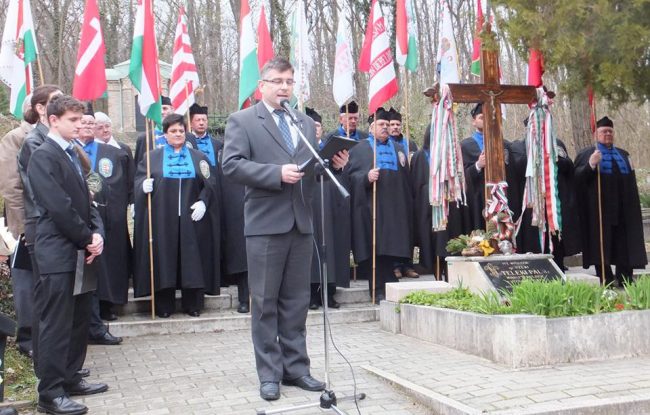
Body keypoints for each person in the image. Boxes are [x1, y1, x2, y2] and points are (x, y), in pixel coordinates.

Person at [222, 57, 348, 401]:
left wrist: (333, 165)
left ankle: (297, 368)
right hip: (265, 224)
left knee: (296, 301)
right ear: (262, 85)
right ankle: (269, 374)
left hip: (301, 222)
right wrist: (275, 173)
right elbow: (231, 165)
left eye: (289, 82)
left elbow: (308, 169)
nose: (284, 87)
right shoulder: (243, 121)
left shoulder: (303, 122)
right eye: (277, 81)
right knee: (265, 302)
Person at [27, 94, 108, 415]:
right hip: (57, 252)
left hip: (80, 250)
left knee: (77, 320)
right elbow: (58, 206)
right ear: (53, 120)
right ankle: (50, 392)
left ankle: (71, 377)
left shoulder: (71, 152)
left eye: (80, 118)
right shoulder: (43, 156)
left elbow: (86, 200)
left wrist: (97, 233)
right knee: (56, 324)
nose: (79, 125)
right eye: (72, 120)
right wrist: (87, 237)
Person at [133, 113, 220, 318]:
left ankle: (193, 303)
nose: (178, 134)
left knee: (192, 259)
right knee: (164, 258)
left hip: (192, 219)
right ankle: (164, 304)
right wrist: (142, 186)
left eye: (181, 130)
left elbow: (210, 182)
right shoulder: (152, 157)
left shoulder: (199, 157)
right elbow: (137, 181)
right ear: (165, 134)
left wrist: (203, 201)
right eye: (173, 131)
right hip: (163, 218)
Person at [346, 108, 413, 301]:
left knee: (391, 248)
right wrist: (365, 178)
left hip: (394, 208)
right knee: (374, 247)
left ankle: (390, 284)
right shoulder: (358, 149)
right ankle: (376, 288)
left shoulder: (399, 149)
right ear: (371, 127)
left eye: (387, 124)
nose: (385, 127)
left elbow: (406, 180)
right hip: (371, 207)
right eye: (381, 124)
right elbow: (350, 178)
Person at [76, 105, 131, 338]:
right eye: (85, 122)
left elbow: (120, 184)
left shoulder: (111, 153)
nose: (88, 126)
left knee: (107, 263)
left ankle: (108, 304)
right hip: (78, 219)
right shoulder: (70, 151)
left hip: (107, 217)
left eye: (92, 123)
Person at [574, 116, 647, 285]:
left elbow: (631, 182)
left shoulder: (624, 155)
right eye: (604, 131)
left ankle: (625, 279)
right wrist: (591, 165)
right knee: (601, 246)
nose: (607, 134)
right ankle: (605, 279)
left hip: (623, 210)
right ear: (596, 134)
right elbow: (577, 180)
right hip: (599, 212)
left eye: (610, 131)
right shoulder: (587, 154)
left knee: (624, 245)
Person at [509, 118, 581, 268]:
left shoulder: (556, 144)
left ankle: (558, 266)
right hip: (530, 204)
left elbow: (568, 167)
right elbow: (515, 170)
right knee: (532, 237)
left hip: (552, 202)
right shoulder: (517, 147)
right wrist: (534, 156)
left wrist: (552, 156)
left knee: (555, 236)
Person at [411, 123, 470, 280]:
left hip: (449, 206)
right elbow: (416, 184)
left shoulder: (451, 156)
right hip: (428, 207)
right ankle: (437, 276)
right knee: (432, 243)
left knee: (450, 241)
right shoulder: (420, 156)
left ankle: (451, 276)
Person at [0, 99, 34, 358]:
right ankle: (27, 339)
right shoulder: (15, 138)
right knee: (25, 285)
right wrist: (22, 227)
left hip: (47, 224)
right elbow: (11, 186)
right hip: (24, 226)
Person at [307, 107, 350, 310]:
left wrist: (340, 165)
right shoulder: (300, 148)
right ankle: (312, 294)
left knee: (331, 248)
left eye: (318, 126)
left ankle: (329, 292)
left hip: (330, 203)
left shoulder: (329, 148)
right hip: (309, 205)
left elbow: (341, 174)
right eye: (311, 126)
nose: (315, 129)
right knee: (311, 249)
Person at [460, 103, 519, 232]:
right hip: (478, 200)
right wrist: (477, 165)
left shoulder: (504, 144)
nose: (485, 120)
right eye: (481, 117)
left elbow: (512, 175)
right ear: (474, 122)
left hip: (502, 198)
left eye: (487, 117)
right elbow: (462, 177)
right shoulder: (465, 146)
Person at [133, 96, 198, 166]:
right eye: (158, 109)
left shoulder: (189, 136)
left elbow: (195, 161)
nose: (161, 112)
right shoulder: (144, 138)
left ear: (172, 110)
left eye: (165, 108)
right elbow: (138, 165)